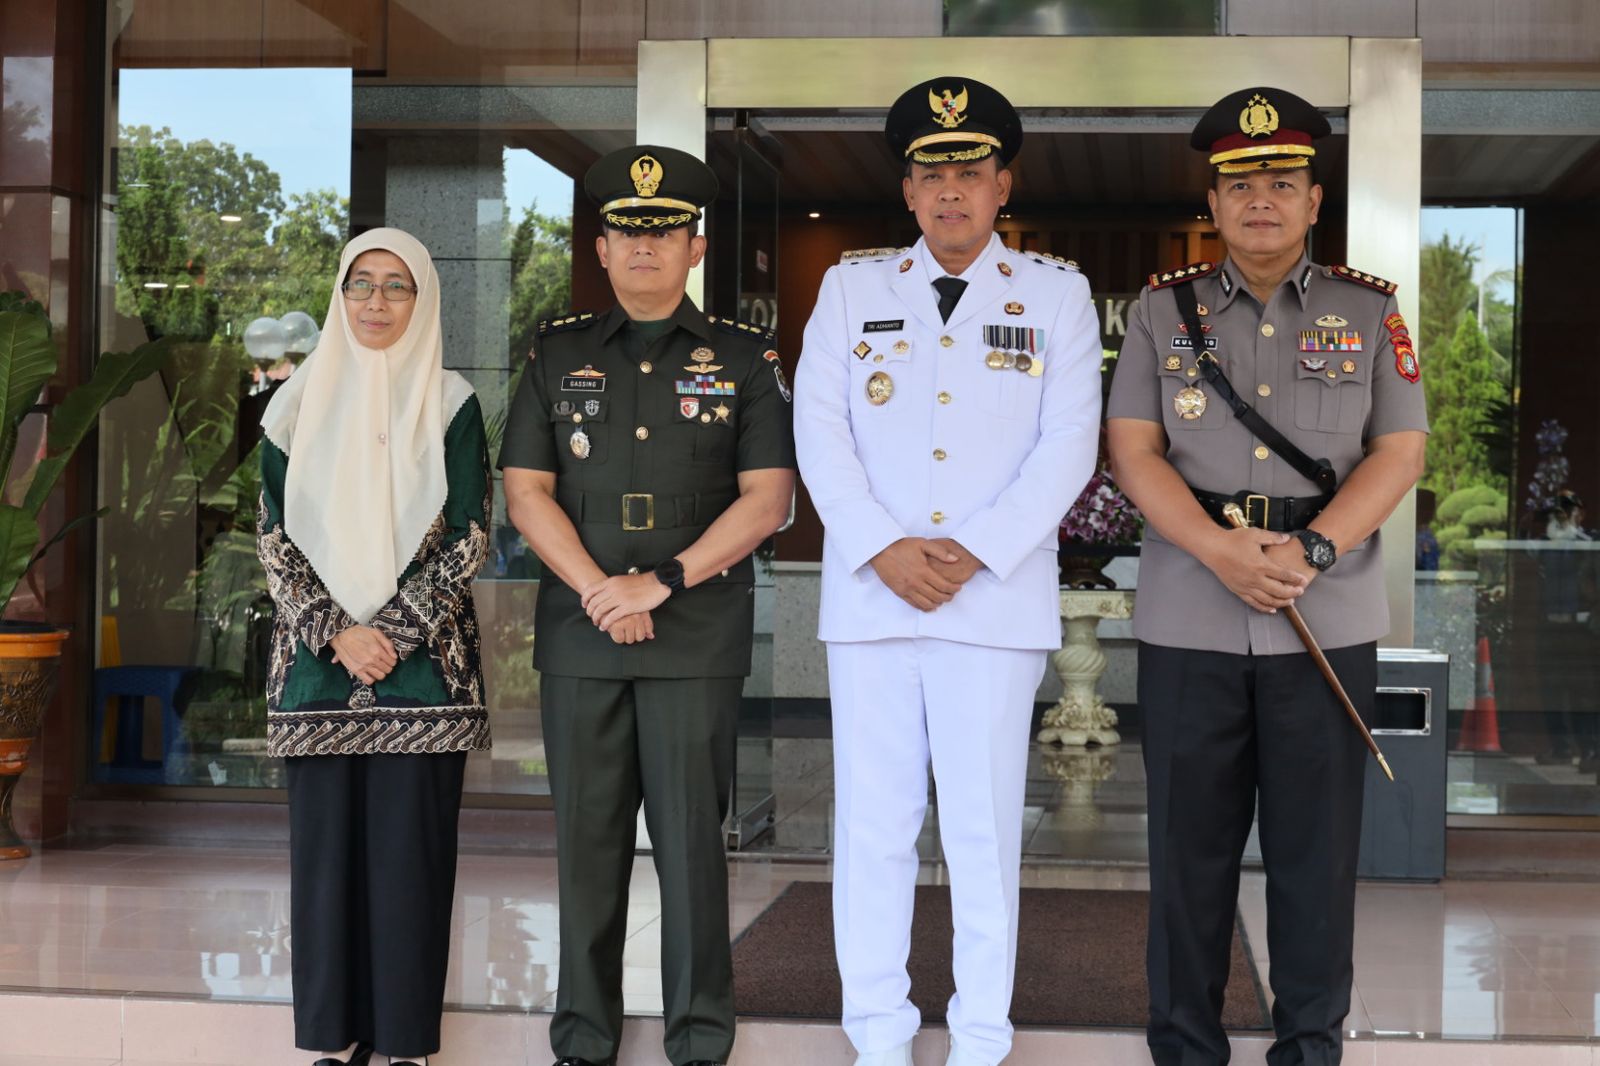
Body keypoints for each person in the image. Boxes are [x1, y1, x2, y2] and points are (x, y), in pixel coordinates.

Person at [1105, 87, 1429, 1065]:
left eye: (1281, 183)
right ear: (1213, 202)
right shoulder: (1160, 312)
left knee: (1315, 861)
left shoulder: (1368, 310)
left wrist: (1311, 551)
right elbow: (1132, 449)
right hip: (1188, 618)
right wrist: (1217, 550)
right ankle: (1184, 1048)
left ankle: (1309, 1050)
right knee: (1186, 859)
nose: (1261, 201)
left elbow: (1400, 452)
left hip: (1322, 617)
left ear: (1313, 200)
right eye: (1240, 185)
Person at [793, 77, 1103, 1066]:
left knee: (981, 830)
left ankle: (979, 1036)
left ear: (1003, 184)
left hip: (992, 604)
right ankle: (877, 1035)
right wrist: (882, 546)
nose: (951, 190)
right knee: (874, 828)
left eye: (970, 171)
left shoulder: (1055, 294)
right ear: (908, 190)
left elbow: (1069, 444)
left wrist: (972, 551)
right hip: (873, 599)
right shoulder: (852, 289)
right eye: (932, 174)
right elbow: (819, 429)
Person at [498, 144, 796, 1066]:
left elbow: (768, 500)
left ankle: (699, 1038)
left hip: (693, 633)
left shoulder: (743, 358)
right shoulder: (555, 353)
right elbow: (525, 492)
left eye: (665, 232)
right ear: (601, 247)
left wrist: (658, 582)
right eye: (627, 231)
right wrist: (602, 591)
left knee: (691, 847)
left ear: (695, 248)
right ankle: (583, 1039)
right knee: (586, 846)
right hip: (582, 635)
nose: (644, 246)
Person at [258, 227, 492, 1066]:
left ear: (422, 300)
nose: (377, 301)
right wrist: (337, 631)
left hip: (422, 675)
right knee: (324, 871)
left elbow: (468, 532)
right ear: (340, 294)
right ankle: (332, 1042)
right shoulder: (293, 405)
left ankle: (403, 1047)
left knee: (408, 867)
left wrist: (387, 635)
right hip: (319, 673)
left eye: (398, 285)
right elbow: (273, 536)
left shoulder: (451, 400)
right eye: (361, 283)